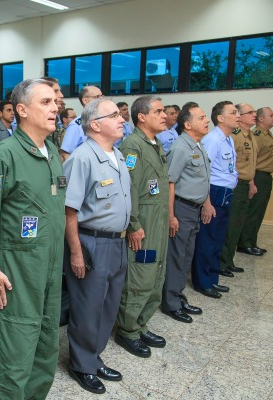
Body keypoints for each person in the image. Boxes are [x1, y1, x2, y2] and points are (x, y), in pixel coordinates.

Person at [0, 78, 65, 399]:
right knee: (13, 356)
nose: (55, 107)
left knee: (46, 347)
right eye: (45, 102)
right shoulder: (2, 157)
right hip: (15, 272)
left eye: (55, 101)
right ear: (21, 110)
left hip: (49, 268)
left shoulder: (50, 151)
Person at [63, 98, 131, 394]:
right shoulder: (81, 158)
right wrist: (76, 252)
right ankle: (81, 364)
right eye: (114, 115)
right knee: (87, 307)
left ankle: (94, 356)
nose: (121, 119)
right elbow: (68, 211)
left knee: (108, 305)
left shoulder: (116, 154)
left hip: (117, 242)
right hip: (91, 242)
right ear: (95, 124)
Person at [115, 95, 169, 358]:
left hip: (158, 221)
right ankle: (127, 330)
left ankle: (141, 324)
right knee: (140, 276)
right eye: (158, 111)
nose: (165, 115)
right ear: (142, 117)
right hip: (143, 225)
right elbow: (130, 190)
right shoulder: (132, 147)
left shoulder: (155, 144)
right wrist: (134, 225)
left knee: (156, 273)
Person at [160, 102, 210, 324]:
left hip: (194, 209)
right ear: (188, 124)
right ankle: (170, 302)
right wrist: (171, 216)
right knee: (176, 256)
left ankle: (178, 296)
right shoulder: (180, 148)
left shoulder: (197, 145)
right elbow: (169, 182)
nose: (206, 120)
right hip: (181, 207)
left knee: (186, 256)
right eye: (201, 118)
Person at [192, 101, 239, 299]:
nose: (238, 115)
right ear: (220, 118)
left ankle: (212, 278)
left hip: (226, 193)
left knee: (218, 238)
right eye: (233, 112)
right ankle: (202, 282)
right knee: (207, 239)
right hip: (214, 193)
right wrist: (207, 203)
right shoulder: (212, 140)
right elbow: (204, 174)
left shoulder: (228, 139)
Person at [219, 103, 258, 277]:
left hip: (245, 183)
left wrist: (251, 182)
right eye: (250, 113)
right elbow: (228, 164)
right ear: (240, 117)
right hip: (234, 185)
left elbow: (250, 164)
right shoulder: (234, 137)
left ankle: (229, 260)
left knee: (238, 224)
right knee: (230, 224)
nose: (254, 115)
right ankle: (222, 262)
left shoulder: (251, 135)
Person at [238, 106, 273, 255]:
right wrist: (252, 182)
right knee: (253, 211)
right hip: (257, 176)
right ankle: (245, 243)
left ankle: (251, 241)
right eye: (271, 115)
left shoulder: (267, 134)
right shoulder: (256, 135)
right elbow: (251, 161)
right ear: (261, 119)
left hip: (266, 177)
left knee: (259, 211)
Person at [60, 85, 103, 161]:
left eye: (102, 96)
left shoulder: (103, 121)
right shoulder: (76, 126)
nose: (101, 100)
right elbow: (65, 154)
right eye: (97, 97)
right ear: (85, 100)